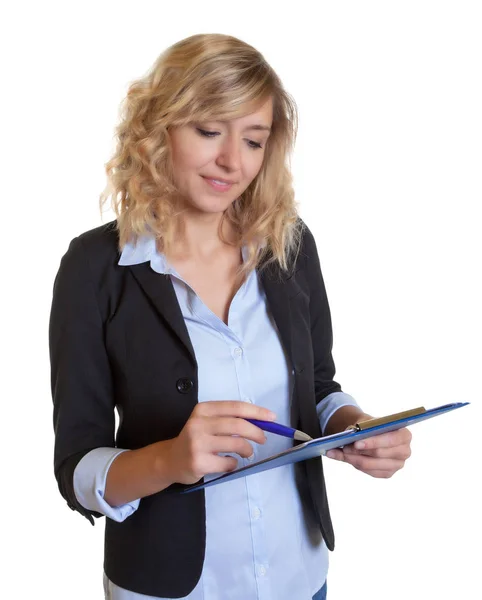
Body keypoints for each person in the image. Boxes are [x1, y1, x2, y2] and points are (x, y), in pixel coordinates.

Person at [49, 33, 412, 600]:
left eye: (253, 140)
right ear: (157, 129)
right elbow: (76, 469)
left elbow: (318, 386)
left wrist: (357, 429)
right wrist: (170, 459)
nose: (232, 162)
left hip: (298, 575)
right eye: (209, 131)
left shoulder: (288, 246)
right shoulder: (95, 268)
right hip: (170, 587)